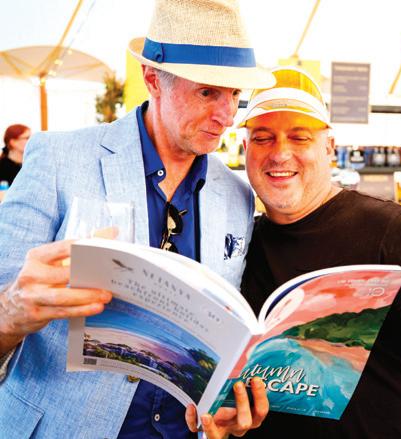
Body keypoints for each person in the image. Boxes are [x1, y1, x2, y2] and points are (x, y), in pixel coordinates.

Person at [0, 1, 275, 438]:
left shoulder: (237, 195)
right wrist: (10, 312)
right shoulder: (58, 159)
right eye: (208, 92)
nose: (227, 116)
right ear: (152, 79)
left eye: (235, 95)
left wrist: (224, 403)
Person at [239, 66, 401, 439]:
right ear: (245, 150)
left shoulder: (395, 234)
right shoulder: (239, 246)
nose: (280, 153)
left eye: (299, 137)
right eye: (263, 138)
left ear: (329, 147)